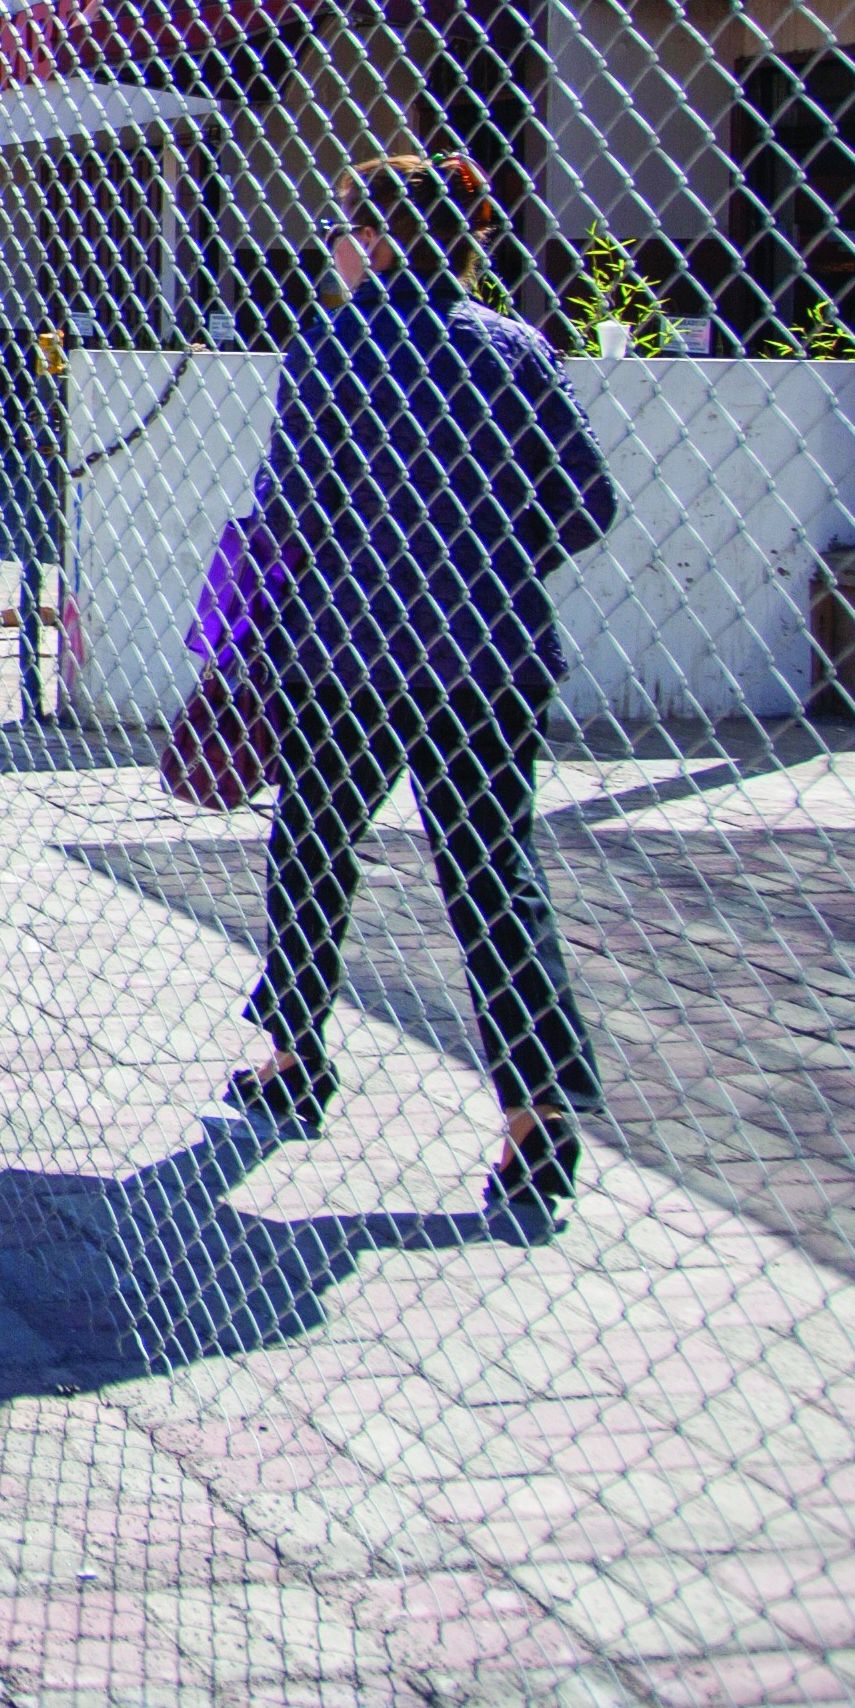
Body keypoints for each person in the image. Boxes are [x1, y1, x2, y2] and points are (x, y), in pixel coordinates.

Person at [218, 153, 617, 1236]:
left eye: (341, 222)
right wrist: (484, 555)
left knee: (312, 841)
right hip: (490, 657)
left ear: (380, 235)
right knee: (494, 875)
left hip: (346, 654)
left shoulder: (330, 348)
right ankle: (533, 1117)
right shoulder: (514, 346)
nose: (330, 243)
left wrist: (256, 629)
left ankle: (295, 1054)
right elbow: (586, 505)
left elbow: (289, 509)